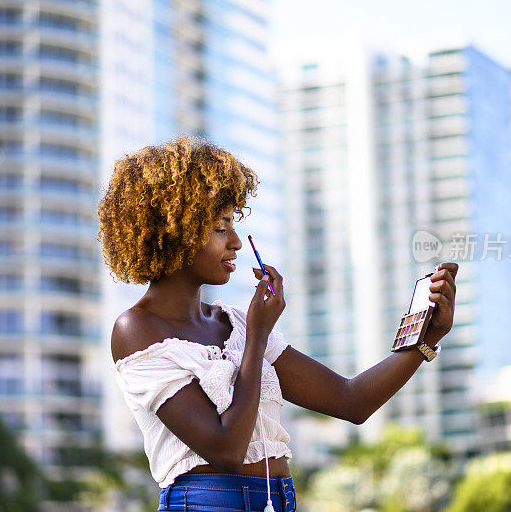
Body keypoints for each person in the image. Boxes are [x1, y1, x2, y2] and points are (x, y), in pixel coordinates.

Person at [98, 137, 458, 512]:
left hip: (279, 501)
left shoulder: (235, 322)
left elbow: (352, 400)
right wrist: (257, 336)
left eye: (233, 223)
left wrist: (426, 338)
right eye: (221, 226)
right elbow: (226, 450)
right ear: (176, 228)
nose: (236, 241)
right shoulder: (137, 329)